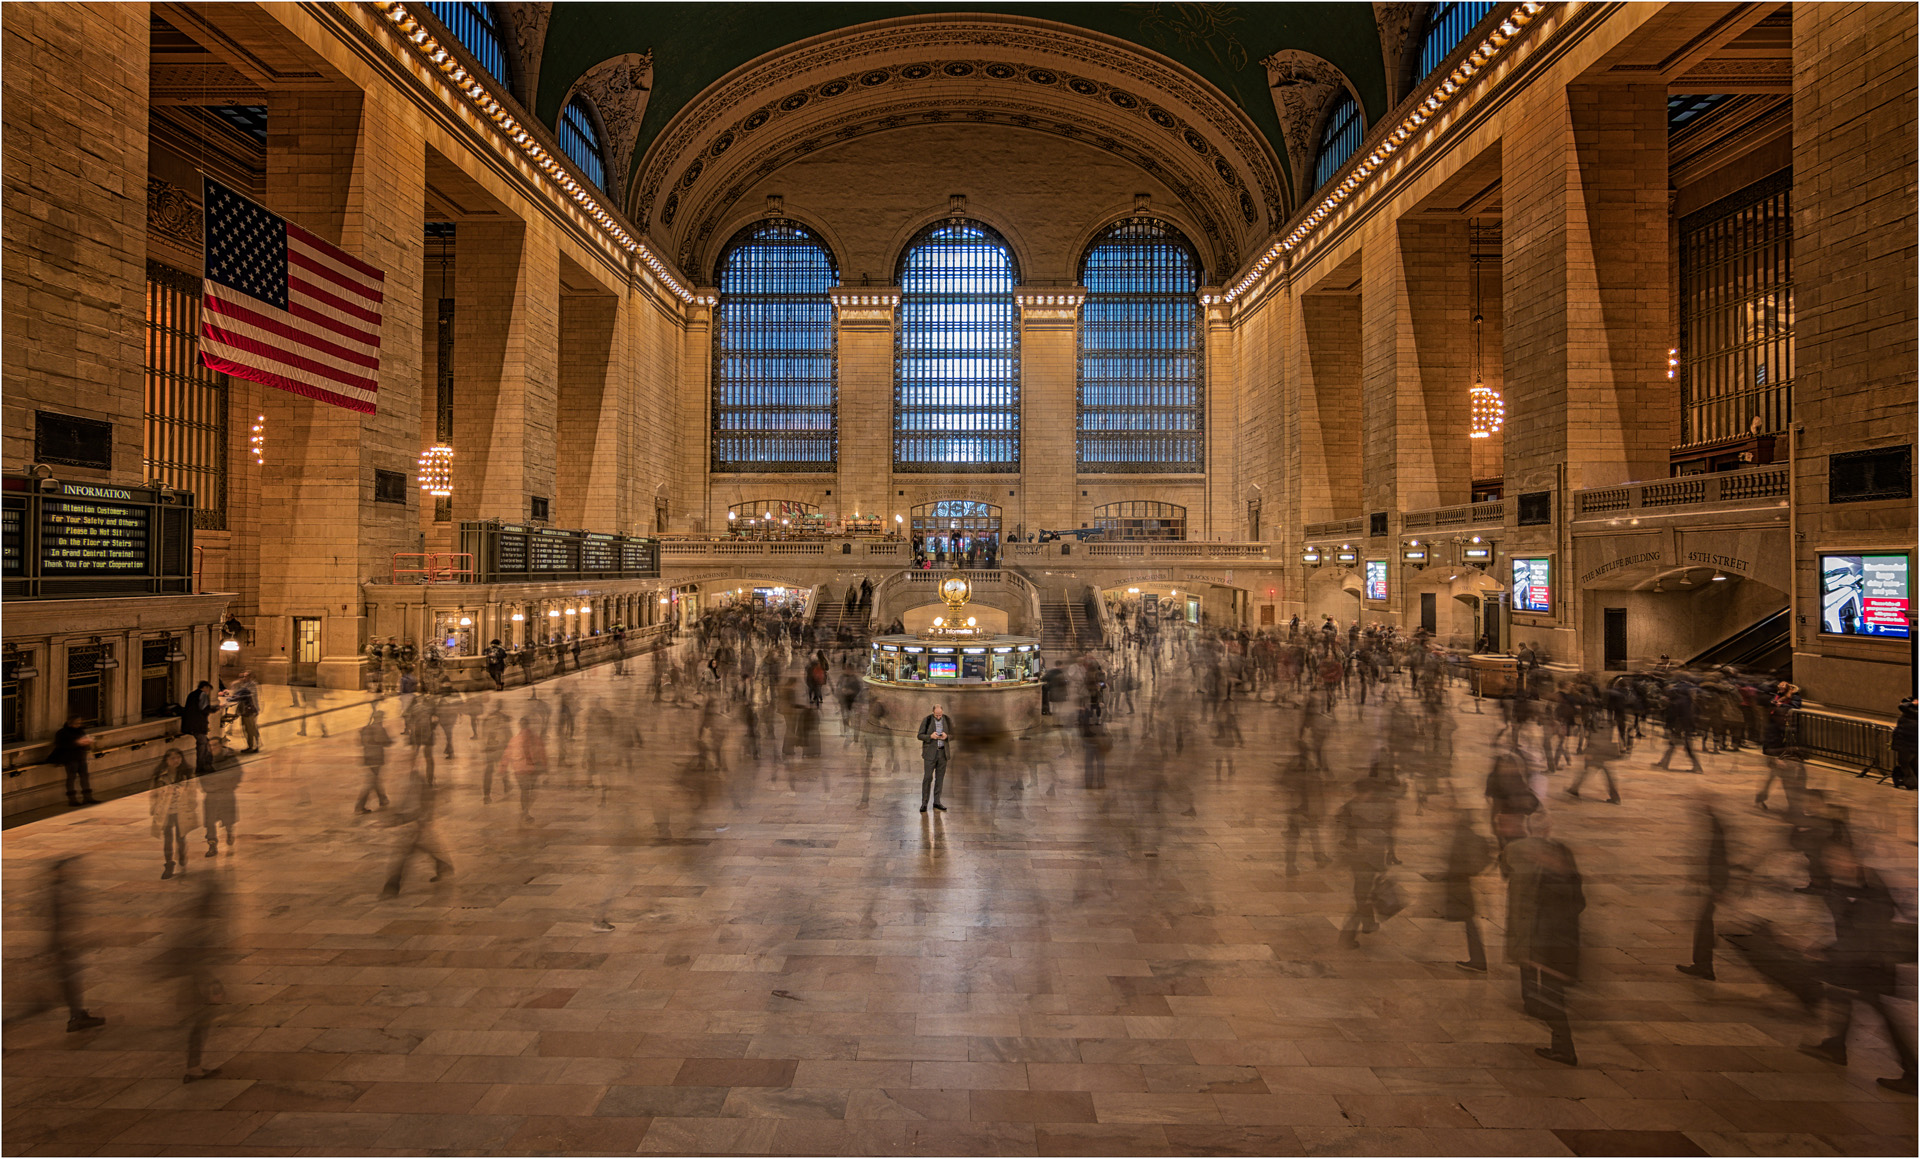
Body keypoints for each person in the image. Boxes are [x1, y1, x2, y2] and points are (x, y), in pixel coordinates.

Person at [1503, 822, 1586, 1065]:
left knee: (1554, 1004)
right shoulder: (1567, 878)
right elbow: (1579, 905)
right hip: (1559, 951)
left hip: (1554, 954)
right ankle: (1561, 1046)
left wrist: (1539, 955)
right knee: (1554, 1001)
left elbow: (1553, 921)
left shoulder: (1555, 885)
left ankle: (1564, 1049)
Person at [149, 747, 199, 879]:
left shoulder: (186, 773)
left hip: (181, 810)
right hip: (166, 810)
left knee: (181, 836)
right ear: (166, 760)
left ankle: (182, 853)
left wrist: (192, 804)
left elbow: (192, 790)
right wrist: (153, 808)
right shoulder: (159, 774)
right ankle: (169, 864)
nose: (176, 761)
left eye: (178, 757)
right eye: (172, 758)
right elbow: (153, 793)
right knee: (167, 837)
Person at [198, 736, 242, 857]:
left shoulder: (229, 758)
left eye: (215, 745)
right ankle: (212, 845)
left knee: (228, 817)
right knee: (210, 821)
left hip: (226, 793)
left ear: (221, 745)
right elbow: (201, 775)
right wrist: (208, 788)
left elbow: (237, 774)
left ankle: (229, 832)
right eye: (210, 746)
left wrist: (228, 786)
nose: (212, 748)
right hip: (211, 795)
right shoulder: (205, 759)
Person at [50, 714, 96, 808]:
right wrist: (76, 743)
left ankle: (87, 797)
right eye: (76, 723)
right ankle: (72, 799)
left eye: (79, 722)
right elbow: (60, 744)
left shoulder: (80, 731)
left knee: (85, 776)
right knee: (71, 777)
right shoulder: (62, 732)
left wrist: (87, 742)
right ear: (70, 722)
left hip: (81, 756)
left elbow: (84, 742)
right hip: (70, 758)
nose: (78, 724)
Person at [356, 709, 393, 814]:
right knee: (371, 782)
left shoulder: (366, 729)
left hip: (367, 757)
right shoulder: (379, 729)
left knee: (375, 779)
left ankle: (383, 799)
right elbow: (387, 742)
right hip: (376, 757)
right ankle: (359, 807)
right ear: (380, 718)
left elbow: (361, 742)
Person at [917, 704, 952, 812]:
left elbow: (954, 734)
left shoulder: (947, 720)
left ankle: (937, 801)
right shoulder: (926, 720)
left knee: (940, 779)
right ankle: (924, 803)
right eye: (936, 715)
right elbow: (919, 735)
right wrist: (930, 737)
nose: (938, 717)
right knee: (927, 778)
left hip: (943, 754)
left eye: (940, 715)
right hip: (930, 754)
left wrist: (947, 737)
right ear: (933, 713)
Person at [229, 670, 262, 753]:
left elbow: (245, 695)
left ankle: (255, 746)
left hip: (250, 710)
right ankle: (251, 745)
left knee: (251, 729)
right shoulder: (245, 684)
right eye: (243, 676)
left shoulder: (252, 685)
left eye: (246, 676)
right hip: (245, 710)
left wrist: (235, 696)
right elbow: (237, 692)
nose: (244, 678)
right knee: (247, 729)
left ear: (251, 677)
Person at [1891, 697, 1916, 790]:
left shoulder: (1910, 714)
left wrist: (1912, 703)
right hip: (1912, 745)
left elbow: (1902, 706)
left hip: (1906, 745)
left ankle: (1912, 783)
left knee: (1904, 763)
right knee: (1913, 764)